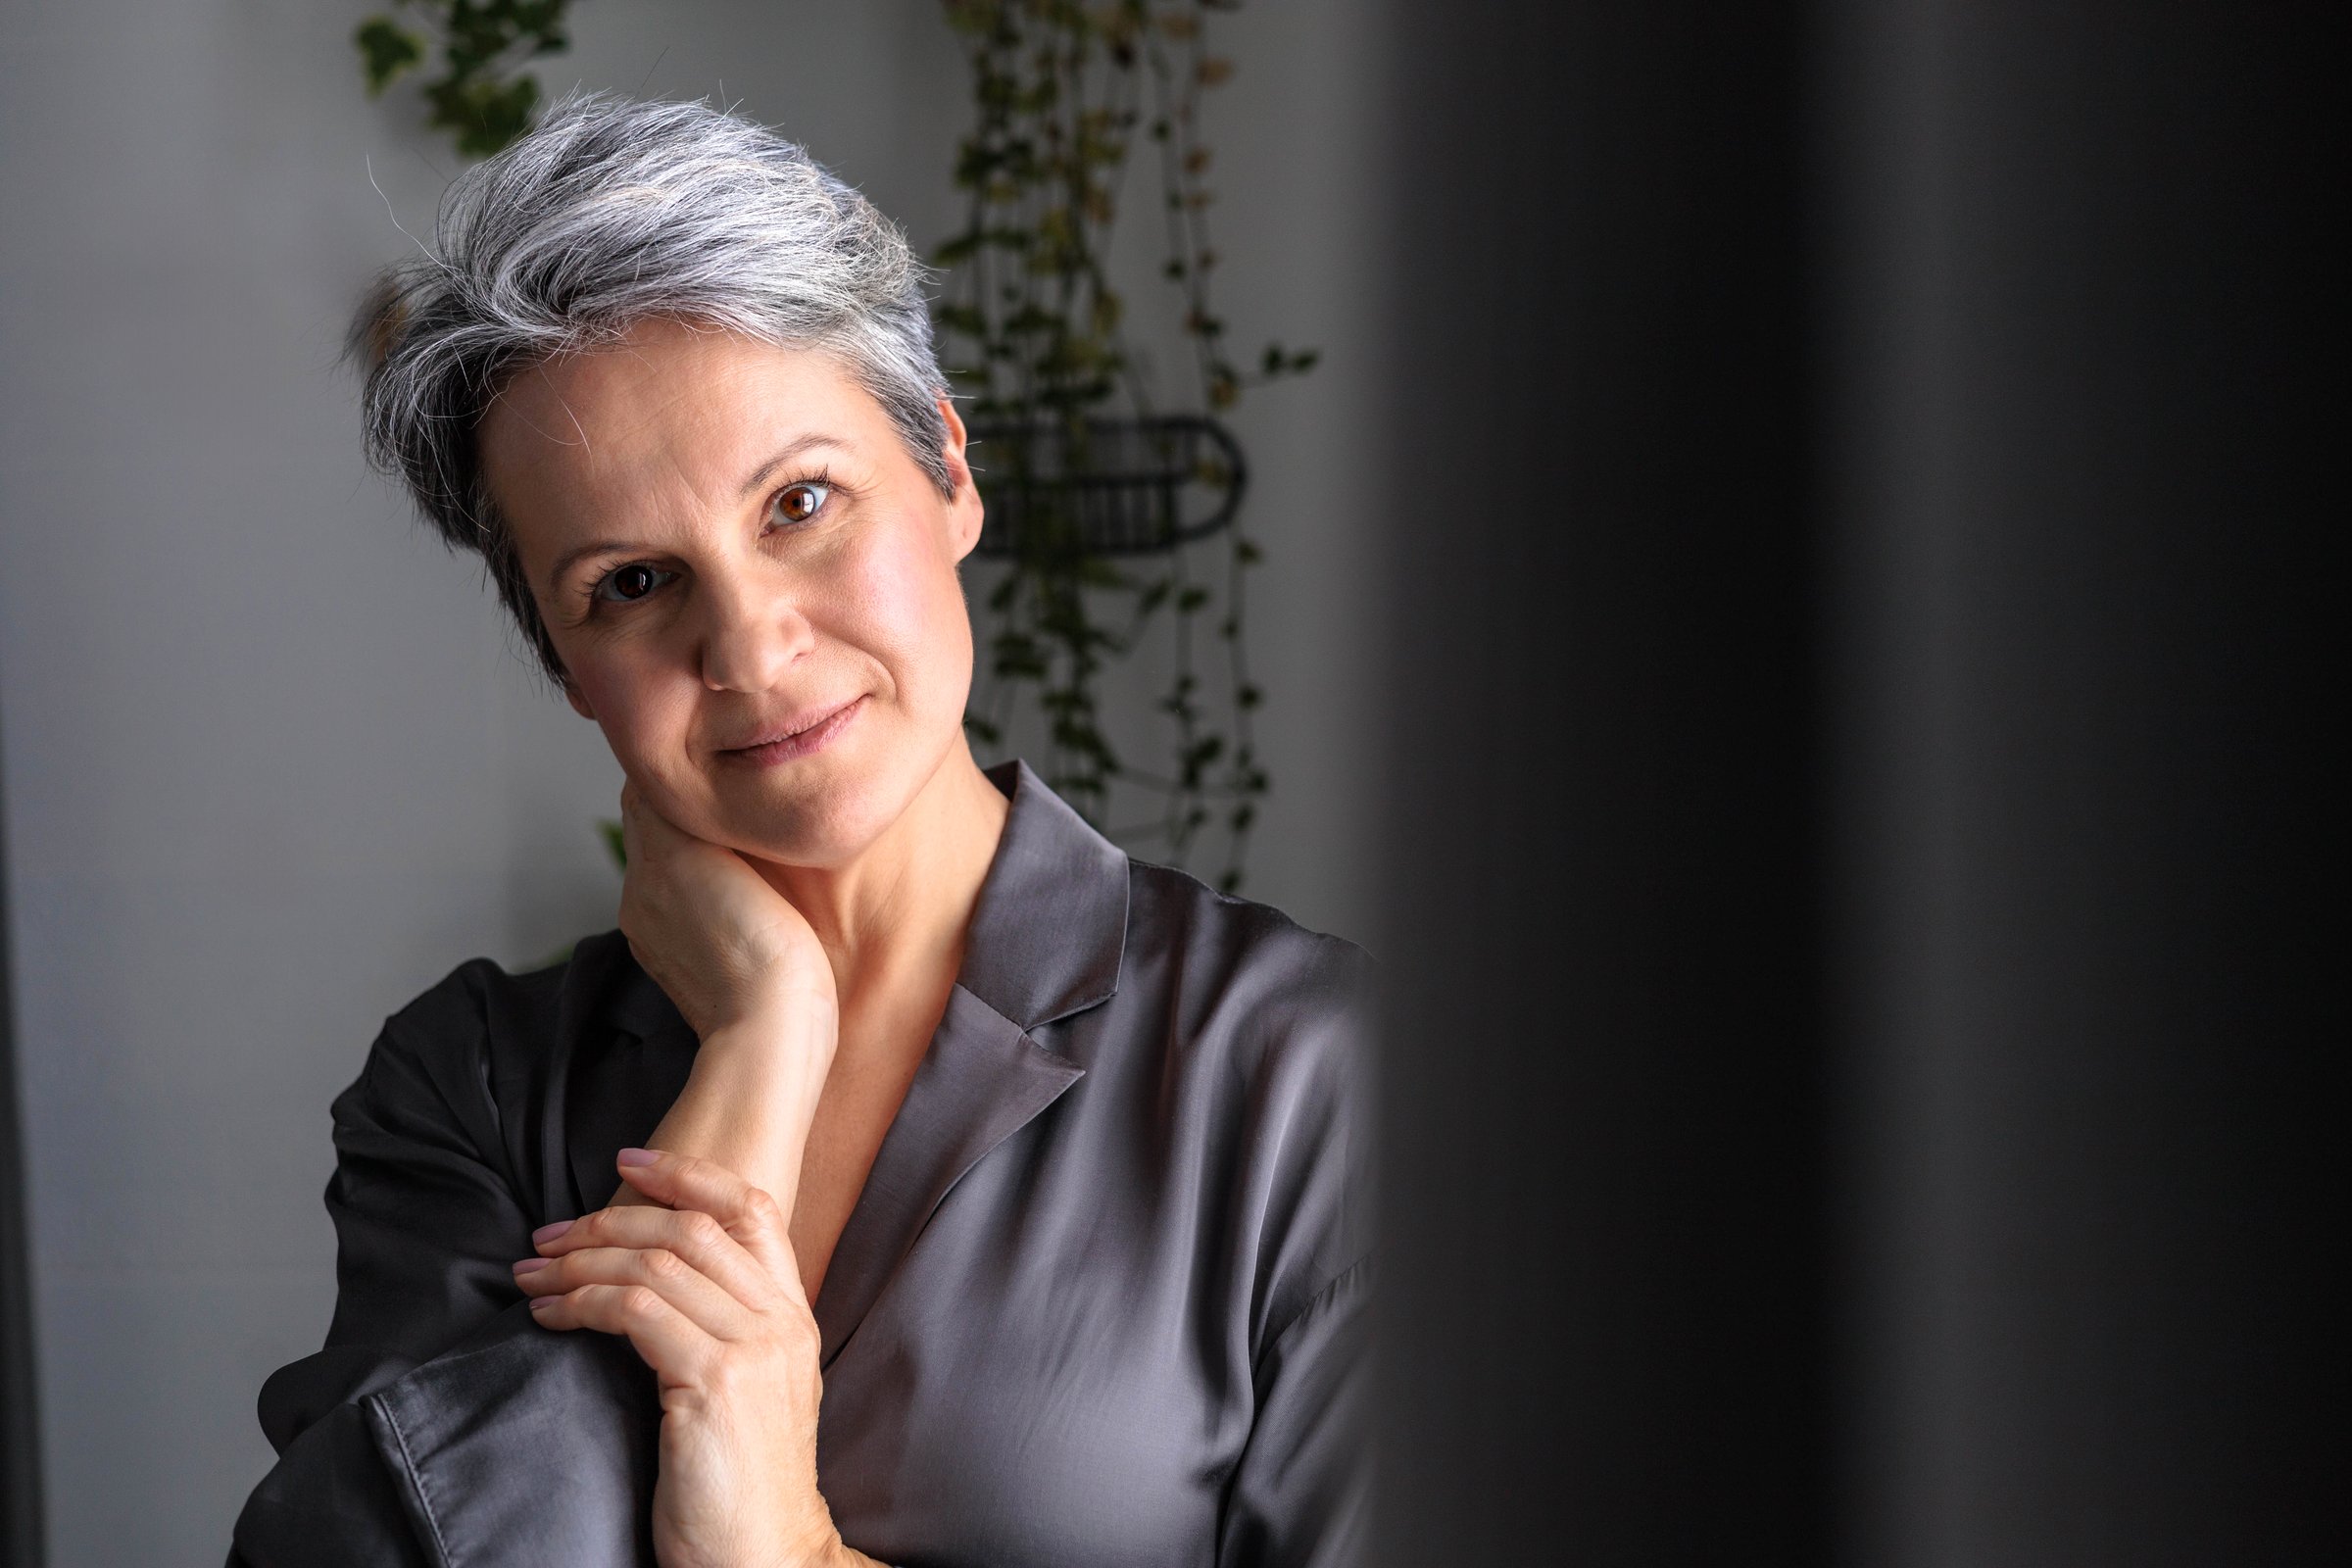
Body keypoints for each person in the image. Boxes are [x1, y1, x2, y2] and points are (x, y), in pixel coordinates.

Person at [226, 94, 1376, 1568]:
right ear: (567, 669)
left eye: (802, 501)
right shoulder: (472, 1094)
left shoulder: (1313, 1086)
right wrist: (766, 1040)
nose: (751, 651)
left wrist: (789, 1544)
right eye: (632, 584)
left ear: (952, 474)